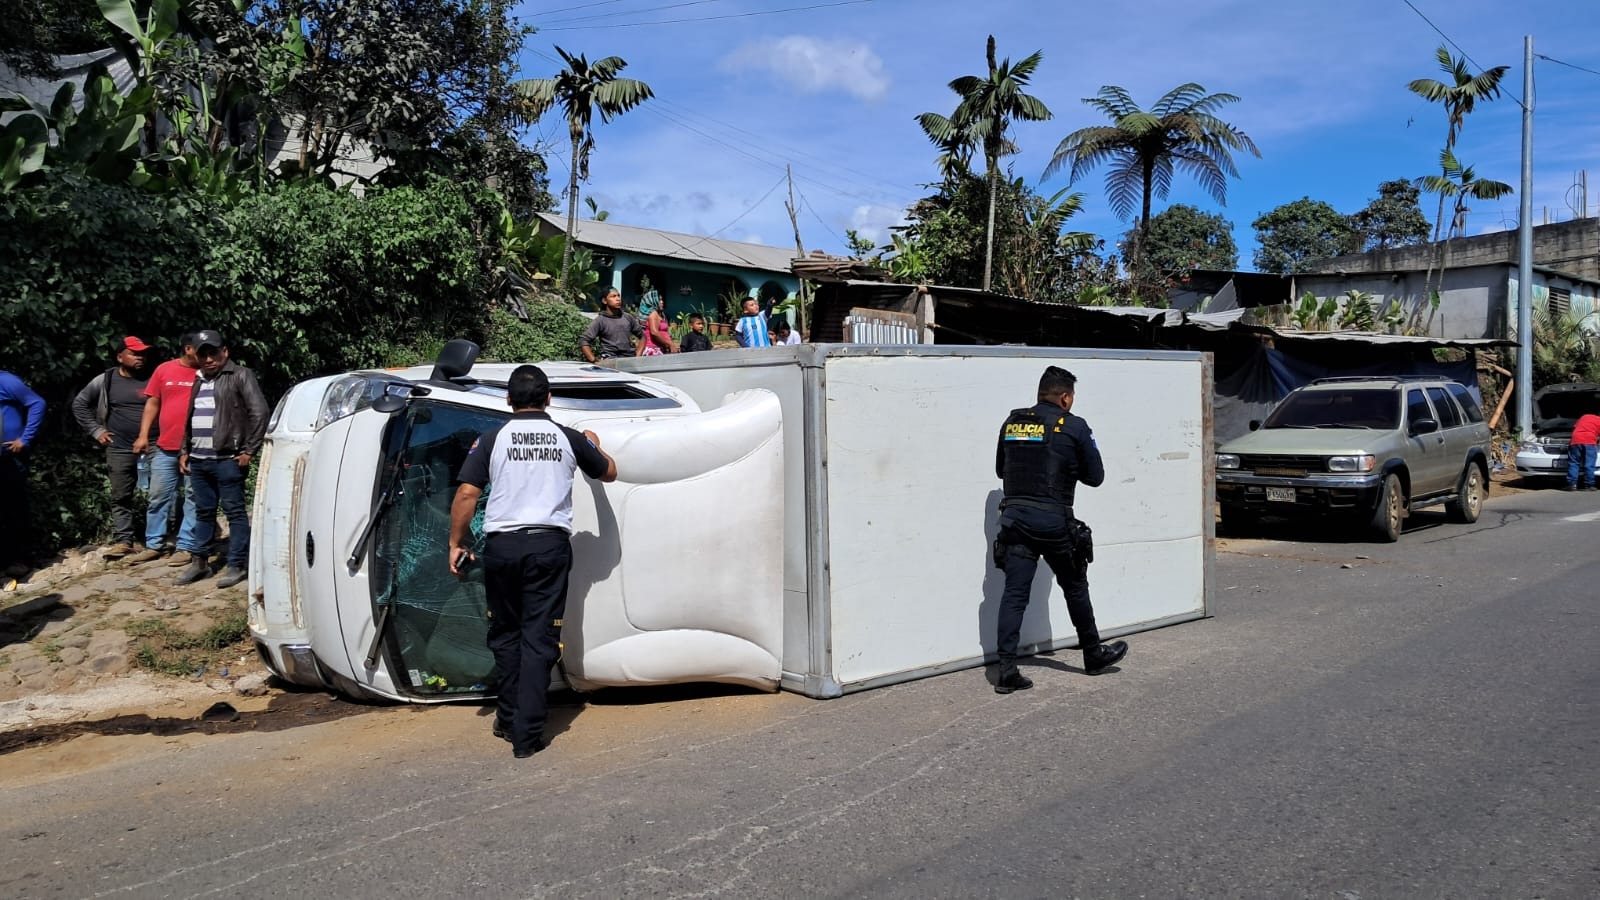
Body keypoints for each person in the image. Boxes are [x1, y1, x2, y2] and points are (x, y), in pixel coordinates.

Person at [448, 365, 617, 758]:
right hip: (548, 547)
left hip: (503, 548)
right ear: (548, 399)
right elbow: (608, 471)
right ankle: (526, 736)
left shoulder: (491, 439)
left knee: (505, 634)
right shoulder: (567, 437)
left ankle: (507, 718)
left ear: (508, 400)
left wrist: (455, 542)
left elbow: (467, 495)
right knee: (539, 637)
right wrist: (593, 443)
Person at [991, 366, 1127, 694]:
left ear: (1041, 393)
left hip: (1015, 520)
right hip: (1053, 522)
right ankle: (1093, 654)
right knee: (1075, 587)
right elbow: (1095, 477)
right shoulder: (1075, 427)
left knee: (1014, 594)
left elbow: (1000, 470)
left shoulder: (1012, 422)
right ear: (1065, 397)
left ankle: (1007, 671)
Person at [175, 331, 269, 588]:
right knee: (203, 512)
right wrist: (185, 450)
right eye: (202, 354)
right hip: (199, 459)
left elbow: (259, 412)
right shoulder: (199, 379)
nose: (208, 359)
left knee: (235, 512)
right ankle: (200, 563)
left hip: (228, 459)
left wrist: (249, 450)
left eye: (213, 353)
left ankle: (236, 565)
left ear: (224, 352)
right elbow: (191, 418)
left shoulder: (240, 375)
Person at [71, 336, 153, 558]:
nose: (140, 357)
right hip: (119, 447)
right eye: (134, 353)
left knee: (161, 493)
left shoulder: (154, 377)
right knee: (121, 495)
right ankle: (124, 540)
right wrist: (97, 431)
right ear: (119, 356)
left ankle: (158, 539)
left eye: (143, 353)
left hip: (154, 445)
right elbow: (80, 404)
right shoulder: (105, 380)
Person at [133, 334, 202, 565]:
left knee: (193, 497)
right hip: (165, 446)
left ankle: (185, 546)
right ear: (188, 348)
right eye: (201, 349)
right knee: (158, 497)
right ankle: (155, 544)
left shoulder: (208, 372)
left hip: (196, 448)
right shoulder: (164, 370)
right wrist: (143, 435)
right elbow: (153, 403)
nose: (206, 354)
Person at [0, 370, 46, 574]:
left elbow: (37, 403)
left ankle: (20, 559)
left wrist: (24, 439)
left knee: (14, 507)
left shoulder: (5, 380)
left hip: (9, 457)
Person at [580, 288, 644, 362]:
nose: (618, 299)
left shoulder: (628, 317)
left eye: (618, 296)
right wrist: (594, 360)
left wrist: (638, 355)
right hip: (610, 361)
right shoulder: (600, 320)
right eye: (613, 296)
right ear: (604, 301)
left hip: (629, 360)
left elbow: (642, 336)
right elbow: (584, 340)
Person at [1565, 411, 1600, 491]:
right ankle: (1589, 485)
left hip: (1575, 440)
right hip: (1589, 441)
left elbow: (1575, 427)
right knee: (1589, 464)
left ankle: (1572, 485)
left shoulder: (1584, 416)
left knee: (1574, 463)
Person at [636, 288, 675, 356]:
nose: (662, 302)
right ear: (652, 301)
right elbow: (654, 332)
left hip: (659, 348)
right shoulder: (653, 313)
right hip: (653, 349)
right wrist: (670, 343)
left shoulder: (659, 314)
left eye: (662, 299)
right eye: (659, 300)